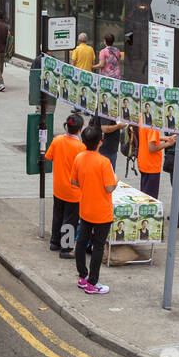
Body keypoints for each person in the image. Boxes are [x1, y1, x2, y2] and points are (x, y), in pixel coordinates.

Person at [71, 124, 117, 295]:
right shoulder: (104, 162)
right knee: (98, 246)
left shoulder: (79, 158)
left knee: (81, 242)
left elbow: (74, 182)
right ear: (100, 142)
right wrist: (116, 179)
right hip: (102, 212)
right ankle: (93, 283)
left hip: (85, 208)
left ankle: (83, 277)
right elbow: (110, 188)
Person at [44, 113, 86, 259]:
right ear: (80, 129)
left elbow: (48, 156)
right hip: (73, 191)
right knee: (70, 220)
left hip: (58, 186)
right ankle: (66, 248)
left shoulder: (57, 140)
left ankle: (54, 242)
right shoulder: (81, 147)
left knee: (58, 215)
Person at [137, 122, 176, 199]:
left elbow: (149, 136)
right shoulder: (153, 124)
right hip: (151, 166)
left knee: (145, 196)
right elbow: (152, 148)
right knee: (150, 200)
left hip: (143, 162)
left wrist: (166, 138)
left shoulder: (143, 118)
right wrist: (168, 144)